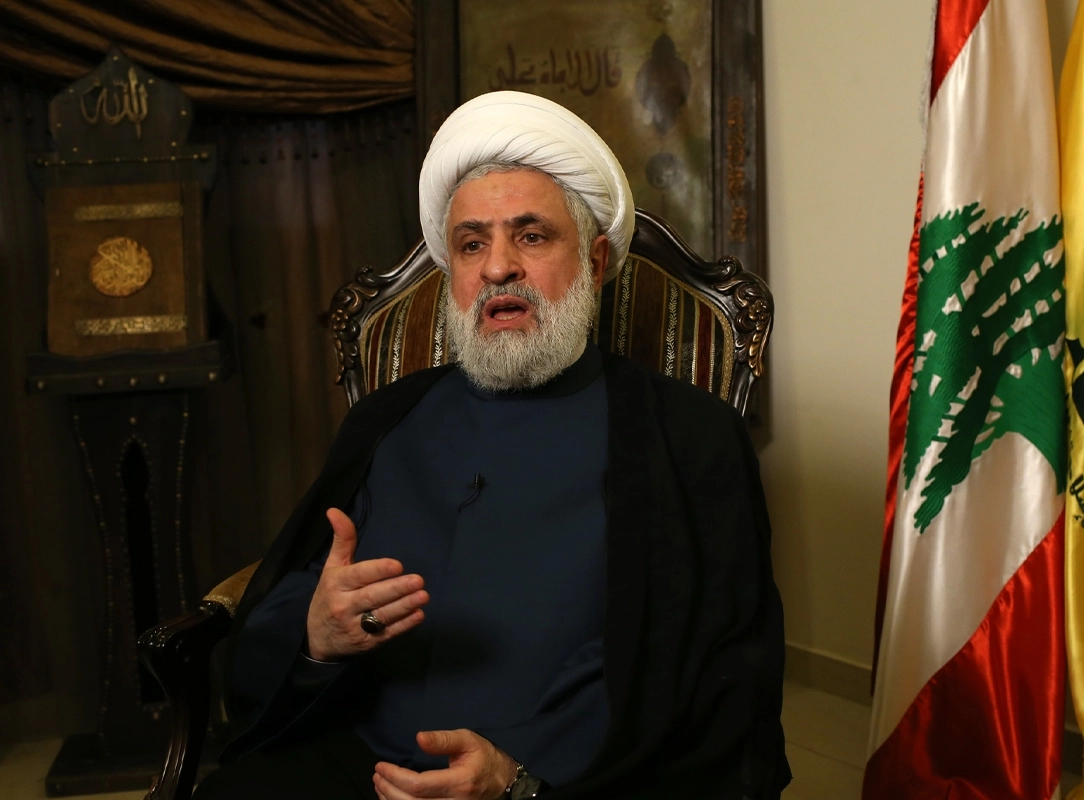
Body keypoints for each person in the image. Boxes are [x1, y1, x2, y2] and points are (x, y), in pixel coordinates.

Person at [194, 91, 789, 800]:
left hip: (560, 780)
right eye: (472, 243)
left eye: (531, 236)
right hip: (358, 761)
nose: (498, 268)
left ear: (594, 259)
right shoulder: (387, 418)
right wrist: (317, 635)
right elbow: (300, 591)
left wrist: (520, 776)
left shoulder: (687, 435)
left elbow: (716, 672)